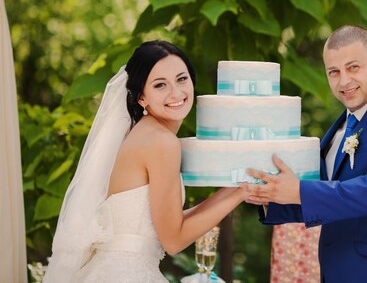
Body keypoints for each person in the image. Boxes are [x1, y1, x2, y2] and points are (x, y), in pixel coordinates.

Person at [243, 25, 367, 283]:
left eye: (353, 67)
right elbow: (331, 196)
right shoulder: (345, 122)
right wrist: (270, 196)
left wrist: (298, 191)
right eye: (334, 72)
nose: (344, 81)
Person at [43, 40, 244, 283]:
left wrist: (237, 189)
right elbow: (173, 240)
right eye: (160, 85)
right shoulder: (161, 142)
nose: (176, 93)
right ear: (141, 97)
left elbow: (169, 222)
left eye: (182, 79)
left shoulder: (142, 132)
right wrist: (240, 194)